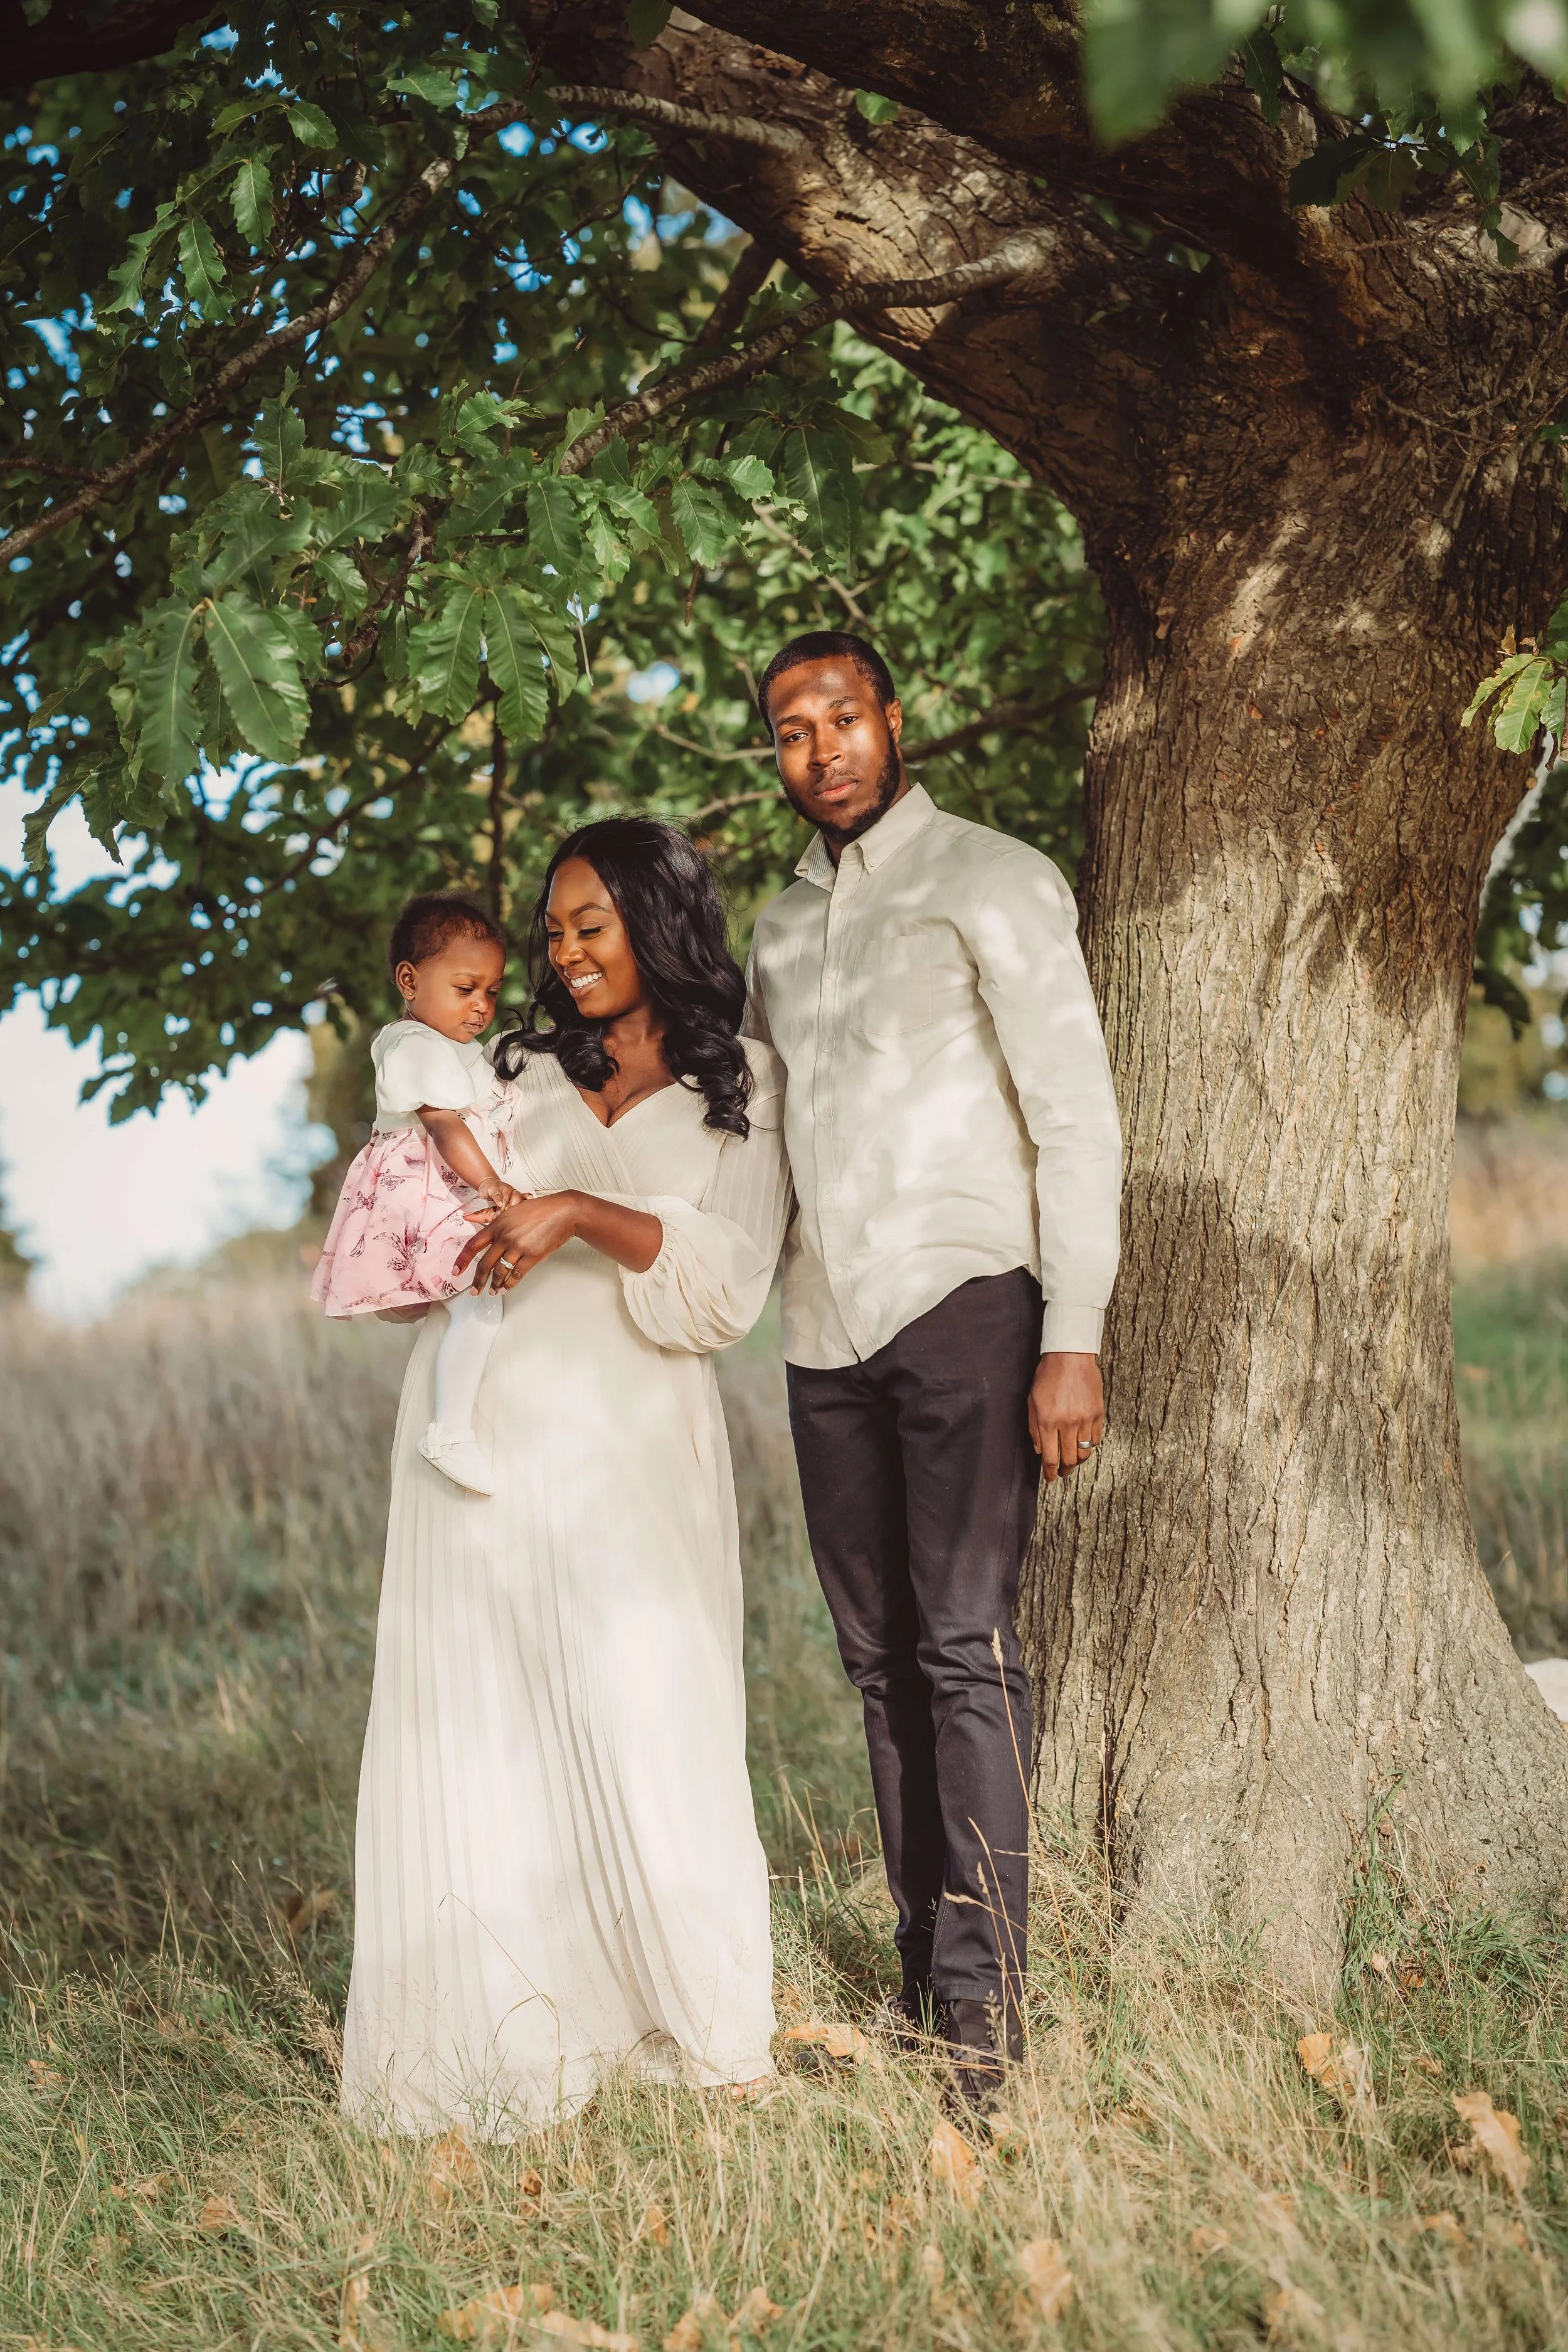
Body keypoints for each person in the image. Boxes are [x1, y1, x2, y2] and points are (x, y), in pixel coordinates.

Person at [341, 820, 790, 2136]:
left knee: (656, 1715)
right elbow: (420, 1187)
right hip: (479, 1429)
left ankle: (704, 2032)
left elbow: (725, 1292)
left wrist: (583, 1213)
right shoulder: (517, 1062)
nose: (563, 950)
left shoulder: (741, 1080)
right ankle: (496, 2047)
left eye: (589, 922)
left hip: (636, 1437)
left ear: (658, 918)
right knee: (482, 1727)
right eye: (551, 930)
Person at [744, 630, 1123, 2109]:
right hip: (819, 1327)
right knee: (875, 1662)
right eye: (791, 729)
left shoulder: (991, 877)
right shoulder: (775, 928)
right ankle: (919, 1969)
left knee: (963, 1644)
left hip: (967, 1302)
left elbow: (1074, 1114)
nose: (822, 746)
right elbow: (754, 1130)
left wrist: (1073, 1328)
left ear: (894, 720)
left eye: (842, 716)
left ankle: (982, 2011)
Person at [310, 892, 524, 1496]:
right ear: (410, 979)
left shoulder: (453, 1046)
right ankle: (449, 1432)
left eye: (491, 990)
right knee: (479, 1302)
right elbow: (445, 1124)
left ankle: (457, 1424)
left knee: (477, 1301)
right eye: (466, 989)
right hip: (422, 1189)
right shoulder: (414, 1047)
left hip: (437, 1187)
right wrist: (489, 1182)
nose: (482, 1006)